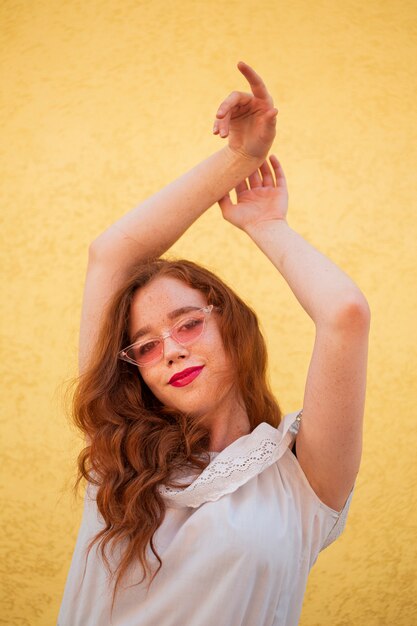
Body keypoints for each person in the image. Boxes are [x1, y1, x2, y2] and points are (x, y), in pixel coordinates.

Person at [57, 61, 370, 626]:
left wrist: (264, 223)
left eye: (188, 323)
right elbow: (113, 253)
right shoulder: (118, 457)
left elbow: (344, 314)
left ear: (230, 325)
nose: (170, 349)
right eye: (145, 346)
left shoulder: (302, 479)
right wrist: (238, 160)